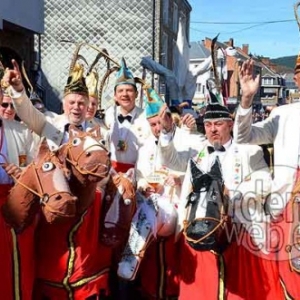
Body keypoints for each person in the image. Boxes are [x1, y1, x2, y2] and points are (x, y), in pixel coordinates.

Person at [2, 58, 114, 299]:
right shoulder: (50, 125)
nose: (76, 107)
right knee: (50, 260)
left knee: (83, 261)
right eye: (72, 102)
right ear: (64, 103)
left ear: (88, 107)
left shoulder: (99, 131)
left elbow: (106, 170)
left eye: (81, 103)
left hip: (85, 212)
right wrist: (19, 90)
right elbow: (27, 113)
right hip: (51, 208)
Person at [157, 99, 284, 299]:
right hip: (198, 231)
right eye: (208, 125)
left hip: (238, 231)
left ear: (231, 125)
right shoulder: (195, 151)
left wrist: (232, 196)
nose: (213, 129)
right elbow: (170, 160)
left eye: (218, 124)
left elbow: (264, 181)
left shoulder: (250, 150)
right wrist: (165, 132)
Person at [233, 57, 300, 299]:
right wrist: (247, 98)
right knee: (288, 276)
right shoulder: (283, 114)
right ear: (296, 79)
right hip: (286, 209)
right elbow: (244, 136)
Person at [134, 87, 183, 299]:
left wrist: (179, 179)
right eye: (153, 124)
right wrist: (143, 183)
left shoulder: (183, 141)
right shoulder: (144, 148)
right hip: (152, 207)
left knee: (175, 258)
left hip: (176, 205)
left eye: (159, 123)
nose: (157, 128)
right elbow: (139, 174)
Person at [0, 60, 36, 300]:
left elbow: (36, 166)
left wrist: (22, 174)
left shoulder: (22, 131)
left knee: (15, 262)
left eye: (10, 104)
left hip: (14, 201)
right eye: (4, 104)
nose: (7, 108)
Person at [104, 58, 150, 173]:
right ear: (115, 96)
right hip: (112, 173)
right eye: (120, 91)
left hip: (137, 173)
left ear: (136, 94)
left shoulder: (146, 116)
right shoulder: (109, 114)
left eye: (129, 90)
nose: (124, 94)